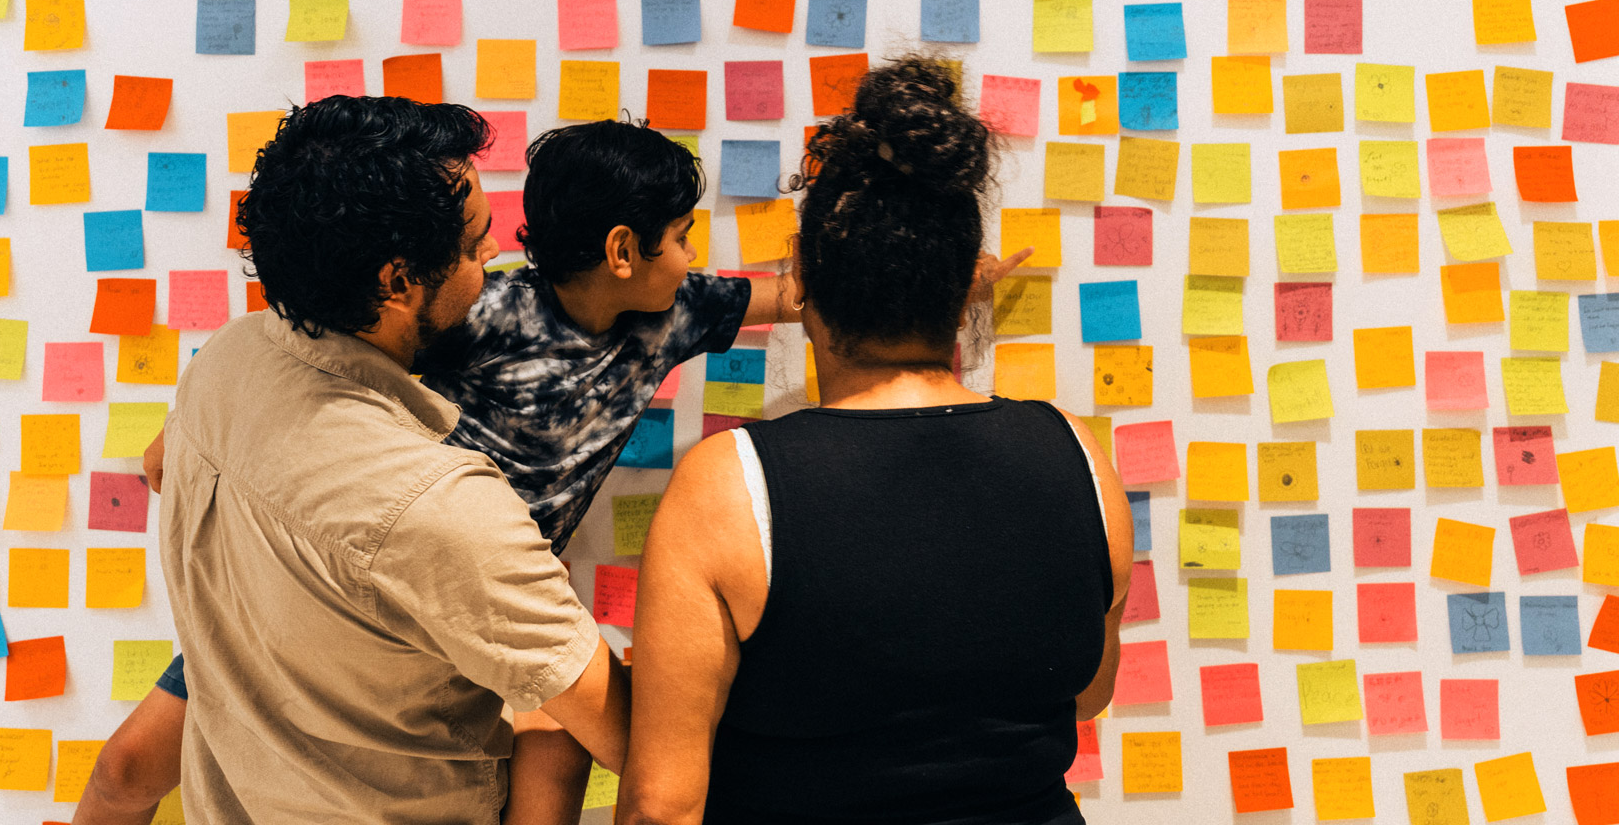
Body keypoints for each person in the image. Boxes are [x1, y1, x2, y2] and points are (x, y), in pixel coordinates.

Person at [77, 111, 1034, 824]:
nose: (491, 254)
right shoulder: (475, 333)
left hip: (485, 592)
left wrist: (936, 274)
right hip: (414, 569)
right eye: (471, 243)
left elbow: (794, 296)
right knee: (131, 768)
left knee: (548, 739)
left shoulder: (672, 313)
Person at [619, 56, 1134, 825]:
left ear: (797, 278)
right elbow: (1088, 692)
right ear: (967, 285)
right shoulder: (1078, 455)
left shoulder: (730, 485)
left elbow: (663, 806)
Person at [146, 96, 629, 825]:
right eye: (474, 246)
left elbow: (164, 472)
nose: (495, 256)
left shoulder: (224, 359)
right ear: (398, 283)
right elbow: (628, 736)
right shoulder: (438, 503)